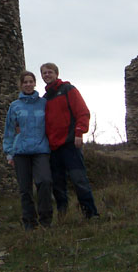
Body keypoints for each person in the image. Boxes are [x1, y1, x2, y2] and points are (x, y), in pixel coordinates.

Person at [40, 62, 99, 220]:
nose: (47, 75)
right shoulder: (44, 99)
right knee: (58, 185)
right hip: (53, 147)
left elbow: (82, 112)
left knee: (79, 179)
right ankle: (63, 216)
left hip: (70, 144)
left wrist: (79, 132)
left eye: (50, 72)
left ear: (56, 73)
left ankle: (91, 213)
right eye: (44, 73)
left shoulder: (68, 90)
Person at [3, 71, 53, 231]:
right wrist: (9, 152)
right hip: (21, 152)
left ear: (35, 83)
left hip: (41, 149)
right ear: (21, 84)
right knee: (25, 189)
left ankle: (46, 221)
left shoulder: (44, 103)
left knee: (44, 182)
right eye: (25, 82)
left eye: (31, 81)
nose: (28, 84)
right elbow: (9, 130)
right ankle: (29, 223)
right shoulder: (15, 106)